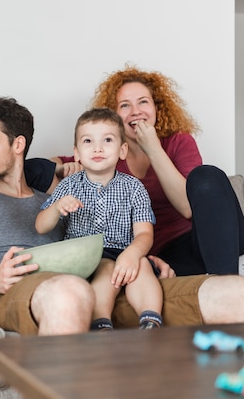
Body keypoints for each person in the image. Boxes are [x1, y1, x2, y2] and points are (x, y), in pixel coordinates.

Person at [0, 96, 244, 336]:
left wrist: (142, 255)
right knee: (68, 291)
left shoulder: (58, 195)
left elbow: (100, 238)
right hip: (27, 293)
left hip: (105, 288)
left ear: (18, 145)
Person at [52, 65, 244, 276]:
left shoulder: (179, 142)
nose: (136, 111)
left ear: (157, 108)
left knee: (207, 174)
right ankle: (219, 279)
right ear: (114, 117)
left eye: (143, 102)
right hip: (164, 254)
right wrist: (63, 167)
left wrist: (154, 149)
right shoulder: (105, 155)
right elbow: (41, 166)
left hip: (206, 239)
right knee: (154, 270)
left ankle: (227, 283)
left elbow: (187, 208)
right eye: (125, 105)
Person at [35, 108, 162, 330]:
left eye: (108, 140)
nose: (98, 148)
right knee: (105, 268)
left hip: (125, 250)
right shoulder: (69, 185)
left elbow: (144, 233)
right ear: (76, 153)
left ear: (122, 150)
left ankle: (151, 321)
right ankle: (101, 323)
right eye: (88, 141)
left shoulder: (134, 188)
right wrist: (56, 208)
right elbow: (41, 226)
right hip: (86, 256)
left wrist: (132, 254)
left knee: (142, 264)